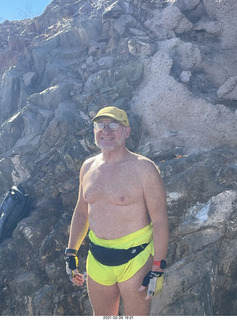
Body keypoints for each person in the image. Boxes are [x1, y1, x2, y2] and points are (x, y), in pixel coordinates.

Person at [65, 106, 169, 316]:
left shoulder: (144, 169)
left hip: (135, 259)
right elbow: (82, 212)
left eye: (114, 125)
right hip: (97, 258)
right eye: (100, 125)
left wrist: (158, 268)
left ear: (127, 132)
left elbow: (159, 220)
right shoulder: (87, 167)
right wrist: (71, 252)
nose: (106, 130)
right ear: (94, 131)